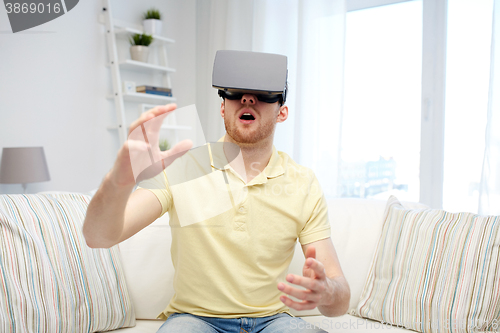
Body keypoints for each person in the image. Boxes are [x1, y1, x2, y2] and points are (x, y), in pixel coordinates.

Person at [83, 50, 350, 333]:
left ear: (282, 112)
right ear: (223, 107)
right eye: (235, 92)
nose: (247, 99)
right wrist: (119, 181)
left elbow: (340, 299)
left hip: (274, 321)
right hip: (194, 319)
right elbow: (98, 237)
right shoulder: (181, 166)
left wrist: (327, 292)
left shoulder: (303, 182)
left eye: (263, 94)